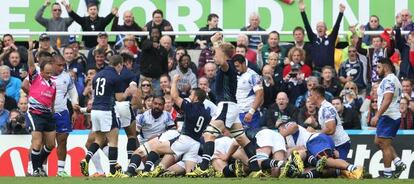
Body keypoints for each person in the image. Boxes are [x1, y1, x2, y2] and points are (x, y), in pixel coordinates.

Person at [186, 42, 263, 177]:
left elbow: (221, 59)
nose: (214, 57)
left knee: (209, 135)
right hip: (230, 107)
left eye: (216, 54)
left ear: (223, 55)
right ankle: (256, 170)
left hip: (226, 106)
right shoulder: (228, 68)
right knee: (242, 139)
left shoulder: (227, 65)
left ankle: (203, 168)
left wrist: (216, 43)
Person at [79, 55, 134, 177]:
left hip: (95, 111)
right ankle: (113, 172)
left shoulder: (97, 76)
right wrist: (127, 92)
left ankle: (86, 159)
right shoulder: (115, 77)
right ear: (119, 64)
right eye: (121, 66)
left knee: (99, 140)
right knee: (113, 142)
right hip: (106, 111)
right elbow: (119, 98)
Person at [370, 58, 407, 178]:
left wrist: (377, 115)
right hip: (389, 115)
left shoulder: (388, 80)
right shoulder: (392, 79)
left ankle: (387, 174)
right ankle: (398, 162)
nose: (377, 70)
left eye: (378, 67)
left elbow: (387, 99)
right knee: (378, 142)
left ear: (385, 67)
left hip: (389, 116)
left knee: (384, 145)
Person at [26, 39, 56, 177]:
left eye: (51, 72)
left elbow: (52, 101)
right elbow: (31, 65)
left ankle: (38, 166)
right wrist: (30, 50)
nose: (50, 75)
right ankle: (36, 168)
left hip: (47, 115)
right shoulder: (35, 77)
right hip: (35, 113)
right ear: (41, 71)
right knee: (37, 143)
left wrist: (53, 112)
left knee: (50, 145)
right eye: (47, 72)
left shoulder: (53, 84)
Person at [51, 55, 79, 177]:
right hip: (46, 113)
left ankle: (60, 170)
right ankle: (40, 168)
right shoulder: (42, 74)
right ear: (52, 63)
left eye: (63, 65)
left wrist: (75, 105)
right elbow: (26, 85)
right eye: (59, 65)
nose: (62, 67)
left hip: (62, 112)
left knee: (62, 141)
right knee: (45, 143)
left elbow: (73, 92)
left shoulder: (66, 76)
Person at [298, 0, 345, 71]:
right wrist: (302, 12)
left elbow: (337, 26)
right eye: (318, 27)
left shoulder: (331, 38)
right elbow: (307, 26)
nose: (320, 28)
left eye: (322, 26)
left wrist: (341, 13)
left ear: (326, 29)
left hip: (330, 70)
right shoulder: (313, 38)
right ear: (316, 29)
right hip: (317, 70)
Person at [307, 85, 351, 160]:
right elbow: (326, 127)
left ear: (317, 96)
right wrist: (315, 125)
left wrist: (315, 133)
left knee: (339, 169)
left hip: (340, 144)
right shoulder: (322, 108)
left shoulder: (326, 108)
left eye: (311, 95)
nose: (309, 98)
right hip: (334, 144)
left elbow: (331, 130)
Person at [232, 54, 263, 138]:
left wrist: (251, 112)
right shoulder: (235, 75)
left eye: (237, 66)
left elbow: (260, 94)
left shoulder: (253, 76)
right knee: (239, 141)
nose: (236, 69)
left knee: (252, 139)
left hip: (250, 115)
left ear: (243, 64)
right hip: (238, 113)